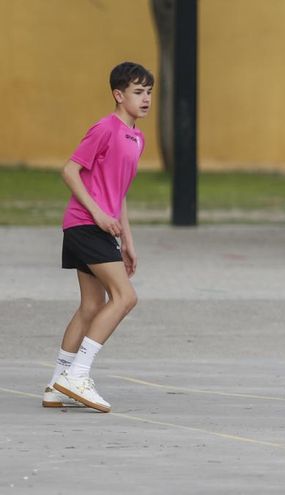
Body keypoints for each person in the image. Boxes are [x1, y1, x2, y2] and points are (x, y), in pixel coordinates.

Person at [45, 62, 152, 413]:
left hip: (101, 227)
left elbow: (117, 193)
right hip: (85, 224)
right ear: (118, 95)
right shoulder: (104, 129)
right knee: (125, 297)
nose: (146, 98)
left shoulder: (137, 137)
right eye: (138, 92)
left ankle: (57, 385)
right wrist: (97, 214)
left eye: (149, 92)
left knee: (92, 305)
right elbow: (69, 171)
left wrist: (128, 242)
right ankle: (78, 374)